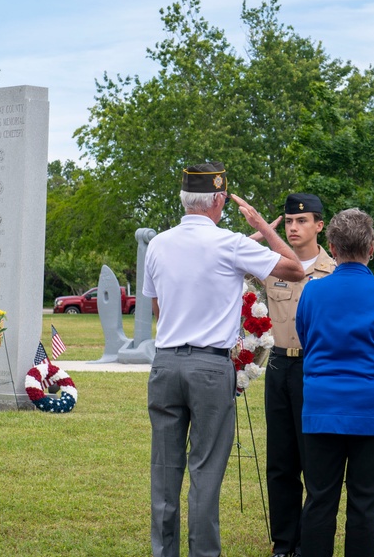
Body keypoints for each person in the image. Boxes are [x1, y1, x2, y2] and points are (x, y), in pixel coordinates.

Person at [142, 161, 305, 557]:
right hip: (210, 367)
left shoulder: (159, 244)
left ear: (184, 200)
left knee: (165, 472)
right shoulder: (231, 243)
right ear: (218, 199)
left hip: (165, 363)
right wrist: (266, 229)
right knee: (206, 472)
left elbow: (159, 309)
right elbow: (295, 269)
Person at [295, 208, 374, 557]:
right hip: (372, 412)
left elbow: (305, 338)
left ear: (331, 247)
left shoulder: (313, 292)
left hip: (321, 410)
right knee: (365, 503)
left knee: (319, 500)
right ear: (371, 248)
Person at [263, 193, 336, 557]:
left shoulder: (333, 271)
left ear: (319, 225)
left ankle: (311, 539)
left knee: (314, 459)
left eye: (302, 221)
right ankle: (284, 542)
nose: (293, 227)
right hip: (278, 366)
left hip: (314, 368)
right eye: (289, 221)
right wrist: (262, 235)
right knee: (280, 461)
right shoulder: (270, 264)